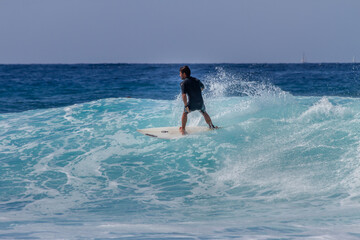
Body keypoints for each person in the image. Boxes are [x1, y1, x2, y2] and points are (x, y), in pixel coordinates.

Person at [179, 65, 217, 135]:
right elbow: (203, 87)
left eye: (180, 73)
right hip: (200, 103)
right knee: (204, 112)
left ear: (184, 74)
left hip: (192, 103)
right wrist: (196, 92)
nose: (179, 75)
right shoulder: (196, 80)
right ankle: (211, 126)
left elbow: (184, 95)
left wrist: (186, 105)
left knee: (185, 113)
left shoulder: (183, 83)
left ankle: (183, 130)